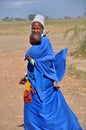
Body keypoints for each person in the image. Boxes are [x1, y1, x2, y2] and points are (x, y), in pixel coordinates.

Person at [19, 14, 82, 130]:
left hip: (44, 81)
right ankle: (33, 126)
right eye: (33, 28)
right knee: (32, 104)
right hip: (34, 80)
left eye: (38, 28)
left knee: (45, 106)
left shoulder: (45, 42)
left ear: (43, 29)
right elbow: (32, 62)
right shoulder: (36, 42)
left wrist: (33, 61)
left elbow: (49, 59)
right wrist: (28, 76)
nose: (35, 30)